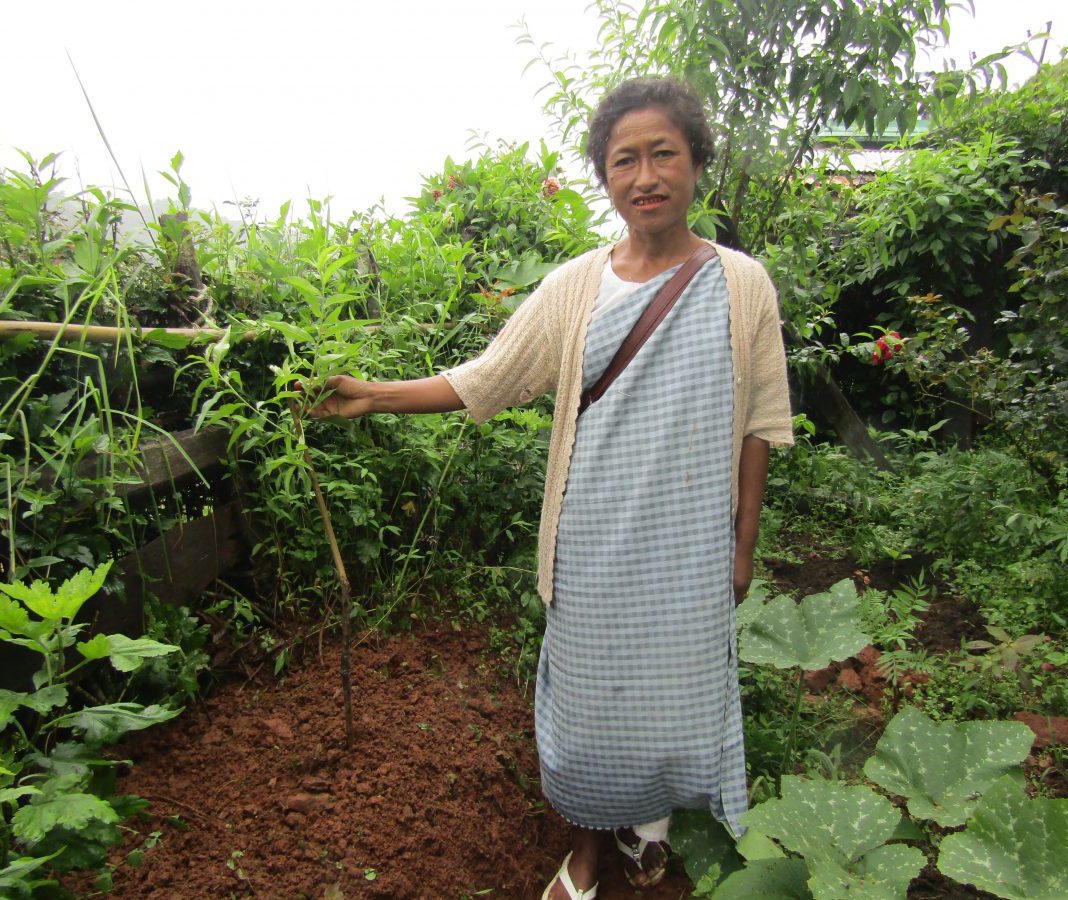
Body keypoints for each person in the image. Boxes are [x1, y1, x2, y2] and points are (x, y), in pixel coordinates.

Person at [302, 76, 793, 899]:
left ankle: (647, 826)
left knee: (671, 700)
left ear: (696, 163)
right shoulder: (575, 288)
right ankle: (588, 846)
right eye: (623, 160)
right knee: (591, 707)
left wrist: (742, 548)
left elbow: (760, 423)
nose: (645, 176)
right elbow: (486, 379)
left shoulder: (744, 286)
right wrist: (375, 396)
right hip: (592, 541)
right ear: (604, 176)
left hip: (688, 549)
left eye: (662, 154)